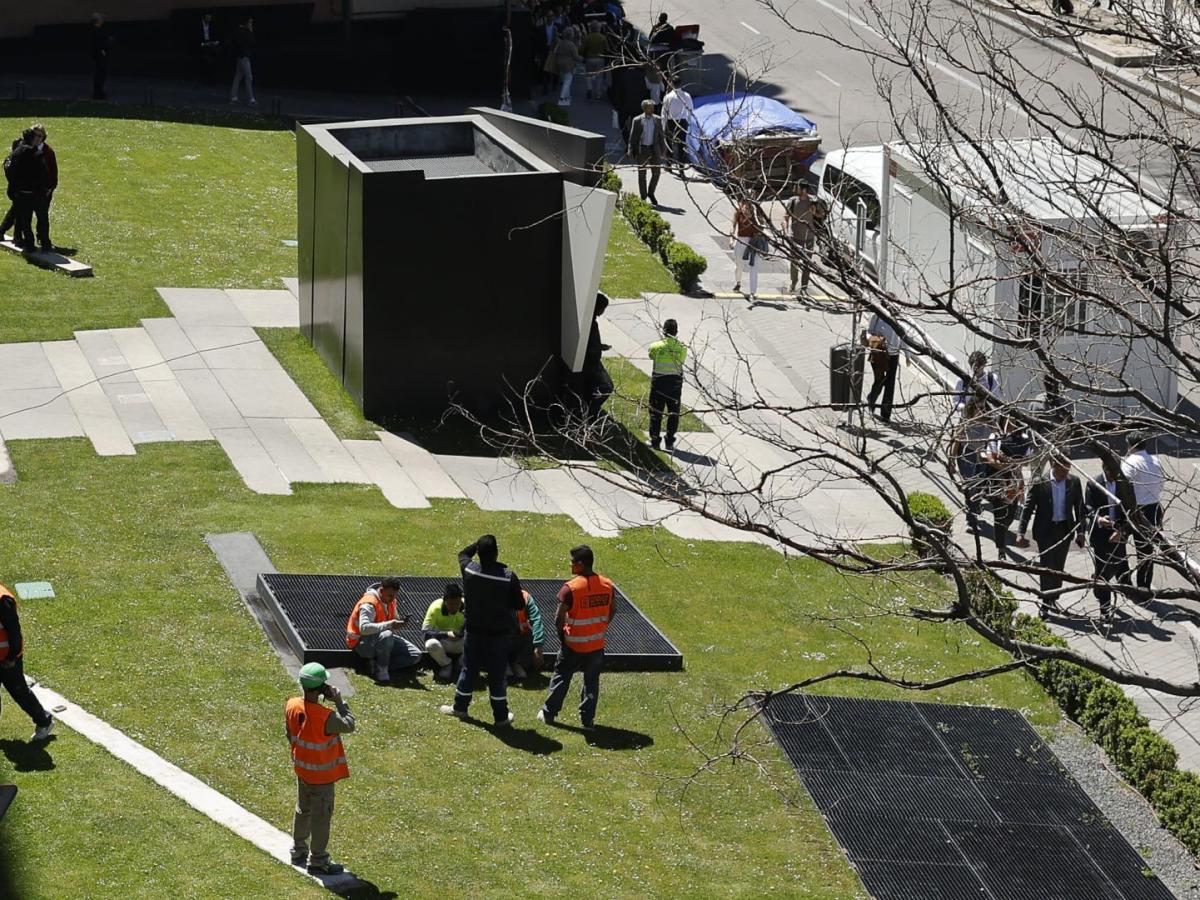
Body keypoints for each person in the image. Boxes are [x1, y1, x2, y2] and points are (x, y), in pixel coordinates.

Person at [439, 535, 525, 727]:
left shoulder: (470, 569)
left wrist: (475, 546)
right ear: (496, 553)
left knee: (469, 669)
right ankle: (501, 717)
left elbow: (463, 553)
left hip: (474, 632)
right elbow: (519, 603)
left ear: (479, 552)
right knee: (496, 673)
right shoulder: (507, 575)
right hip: (498, 635)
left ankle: (460, 707)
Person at [538, 545, 615, 729]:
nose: (570, 564)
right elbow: (613, 610)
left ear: (580, 564)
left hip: (573, 644)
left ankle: (549, 713)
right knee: (592, 682)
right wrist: (601, 627)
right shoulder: (607, 585)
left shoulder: (570, 588)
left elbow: (558, 617)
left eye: (572, 561)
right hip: (596, 644)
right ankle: (587, 721)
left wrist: (563, 635)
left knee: (562, 676)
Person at [286, 662, 353, 876]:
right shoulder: (325, 717)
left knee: (302, 810)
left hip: (302, 770)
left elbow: (290, 734)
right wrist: (340, 702)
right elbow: (349, 724)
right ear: (320, 687)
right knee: (321, 818)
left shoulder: (292, 705)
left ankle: (298, 851)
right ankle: (318, 861)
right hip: (321, 777)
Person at [1016, 457, 1085, 616]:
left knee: (1058, 567)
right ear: (1053, 464)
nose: (1064, 474)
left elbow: (1080, 508)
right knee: (1046, 567)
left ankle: (1053, 596)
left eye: (1067, 471)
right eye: (1061, 471)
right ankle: (1045, 602)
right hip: (1045, 531)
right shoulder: (1040, 482)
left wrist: (1081, 532)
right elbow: (1028, 508)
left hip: (1064, 530)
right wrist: (1020, 532)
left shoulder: (1074, 482)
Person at [0, 582, 54, 742]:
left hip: (7, 658)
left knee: (19, 692)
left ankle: (44, 721)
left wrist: (12, 657)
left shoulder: (3, 600)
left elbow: (14, 631)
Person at [344, 577, 419, 684]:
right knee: (387, 634)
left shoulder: (392, 601)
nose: (392, 599)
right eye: (390, 596)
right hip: (361, 644)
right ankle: (382, 671)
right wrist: (390, 624)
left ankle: (376, 666)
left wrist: (399, 623)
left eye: (395, 595)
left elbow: (393, 620)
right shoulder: (369, 604)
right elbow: (364, 628)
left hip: (383, 639)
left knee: (415, 655)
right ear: (381, 590)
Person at [1084, 459, 1131, 624]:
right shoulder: (1093, 484)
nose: (1113, 476)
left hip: (1118, 534)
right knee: (1103, 571)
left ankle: (1098, 586)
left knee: (1116, 566)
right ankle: (1105, 609)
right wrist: (1098, 519)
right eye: (1110, 472)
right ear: (1104, 468)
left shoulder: (1124, 484)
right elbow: (1088, 509)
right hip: (1101, 535)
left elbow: (1131, 512)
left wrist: (1122, 531)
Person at [1121, 434, 1166, 600]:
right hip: (1154, 508)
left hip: (1134, 510)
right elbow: (1161, 484)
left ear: (1131, 446)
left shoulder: (1129, 462)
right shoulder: (1156, 461)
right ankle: (1144, 587)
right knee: (1146, 553)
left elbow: (1123, 487)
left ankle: (1124, 581)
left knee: (1119, 547)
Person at [980, 413, 1031, 557]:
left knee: (1010, 514)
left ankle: (1002, 532)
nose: (1012, 426)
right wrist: (1008, 466)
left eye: (1014, 422)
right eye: (1009, 422)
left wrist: (1012, 463)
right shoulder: (995, 437)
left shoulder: (1022, 440)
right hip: (998, 483)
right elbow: (991, 459)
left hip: (1014, 483)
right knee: (1000, 514)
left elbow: (1026, 461)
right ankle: (1001, 547)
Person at [947, 398, 994, 535]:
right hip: (967, 455)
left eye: (984, 409)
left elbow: (998, 435)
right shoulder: (966, 421)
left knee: (979, 488)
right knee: (970, 488)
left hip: (982, 456)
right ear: (972, 409)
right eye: (978, 408)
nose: (981, 412)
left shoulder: (990, 422)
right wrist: (952, 460)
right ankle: (971, 519)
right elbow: (957, 440)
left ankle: (975, 508)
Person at [647, 318, 687, 451]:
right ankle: (669, 440)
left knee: (656, 411)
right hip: (675, 383)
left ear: (663, 330)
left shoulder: (656, 346)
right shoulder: (681, 347)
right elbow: (681, 360)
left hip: (659, 381)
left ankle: (654, 440)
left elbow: (651, 356)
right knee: (673, 412)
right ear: (676, 332)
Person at [3, 132, 45, 252]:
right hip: (32, 192)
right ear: (32, 139)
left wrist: (14, 185)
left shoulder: (16, 153)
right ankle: (29, 243)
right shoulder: (37, 154)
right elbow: (43, 174)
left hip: (18, 191)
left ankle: (20, 238)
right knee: (25, 218)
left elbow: (8, 168)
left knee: (20, 216)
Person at [864, 311, 902, 422]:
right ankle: (871, 399)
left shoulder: (897, 318)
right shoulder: (877, 316)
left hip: (893, 353)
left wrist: (908, 356)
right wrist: (875, 339)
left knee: (890, 383)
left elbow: (903, 336)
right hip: (878, 353)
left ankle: (886, 414)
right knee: (879, 380)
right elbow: (869, 332)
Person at [422, 583, 465, 682]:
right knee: (430, 644)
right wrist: (446, 634)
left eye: (457, 603)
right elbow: (425, 633)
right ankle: (446, 664)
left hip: (462, 643)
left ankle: (461, 665)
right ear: (444, 600)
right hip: (444, 642)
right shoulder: (435, 608)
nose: (454, 607)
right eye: (450, 604)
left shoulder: (468, 607)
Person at [628, 99, 667, 205]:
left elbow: (661, 136)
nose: (652, 109)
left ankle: (651, 192)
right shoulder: (637, 120)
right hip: (642, 150)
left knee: (656, 173)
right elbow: (633, 137)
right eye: (649, 108)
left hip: (654, 149)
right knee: (642, 174)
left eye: (653, 107)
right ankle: (643, 195)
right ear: (644, 108)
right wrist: (630, 149)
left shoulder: (658, 120)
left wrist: (664, 150)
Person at [581, 292, 613, 420]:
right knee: (606, 387)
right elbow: (588, 346)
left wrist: (600, 346)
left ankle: (588, 411)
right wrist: (599, 347)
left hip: (591, 361)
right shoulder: (590, 324)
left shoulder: (589, 321)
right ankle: (590, 412)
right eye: (603, 308)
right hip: (590, 363)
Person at [784, 181, 817, 295]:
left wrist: (814, 211)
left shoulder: (813, 201)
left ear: (803, 190)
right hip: (795, 237)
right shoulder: (792, 201)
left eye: (797, 187)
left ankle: (804, 287)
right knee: (794, 262)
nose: (794, 189)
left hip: (809, 237)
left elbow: (820, 215)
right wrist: (785, 227)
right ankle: (794, 282)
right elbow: (786, 216)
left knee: (807, 263)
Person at [730, 199, 765, 300]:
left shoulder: (757, 211)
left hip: (754, 241)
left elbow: (762, 226)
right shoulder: (738, 211)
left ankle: (753, 292)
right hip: (741, 239)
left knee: (754, 266)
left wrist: (757, 217)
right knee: (739, 263)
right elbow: (733, 225)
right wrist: (731, 239)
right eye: (745, 202)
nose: (747, 205)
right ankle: (738, 282)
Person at [30, 124, 57, 253]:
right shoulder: (25, 148)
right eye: (35, 135)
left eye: (40, 136)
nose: (37, 138)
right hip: (28, 189)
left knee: (42, 217)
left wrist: (50, 188)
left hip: (43, 190)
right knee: (18, 214)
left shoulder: (48, 151)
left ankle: (44, 240)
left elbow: (53, 171)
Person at [509, 589, 545, 681]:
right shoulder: (495, 596)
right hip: (501, 638)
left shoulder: (525, 597)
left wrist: (538, 647)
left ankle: (518, 664)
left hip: (520, 638)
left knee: (531, 634)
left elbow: (536, 620)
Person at [661, 76, 693, 170]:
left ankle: (669, 164)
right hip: (682, 121)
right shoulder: (686, 96)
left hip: (670, 122)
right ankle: (681, 165)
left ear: (671, 83)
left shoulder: (668, 97)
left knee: (669, 143)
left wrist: (663, 125)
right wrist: (689, 121)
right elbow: (690, 109)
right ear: (681, 84)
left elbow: (664, 112)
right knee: (681, 145)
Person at [230, 17, 257, 106]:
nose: (250, 24)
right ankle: (251, 99)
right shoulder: (244, 32)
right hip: (243, 57)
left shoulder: (240, 31)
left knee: (238, 76)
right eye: (250, 23)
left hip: (241, 56)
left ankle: (233, 97)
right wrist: (251, 30)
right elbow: (252, 41)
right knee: (248, 77)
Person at [552, 26, 582, 106]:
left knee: (564, 80)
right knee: (568, 81)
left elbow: (556, 52)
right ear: (571, 35)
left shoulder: (560, 43)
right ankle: (562, 97)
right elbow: (576, 56)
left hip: (559, 63)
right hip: (569, 64)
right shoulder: (571, 44)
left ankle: (567, 97)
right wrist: (583, 59)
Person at [580, 22, 608, 100]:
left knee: (588, 75)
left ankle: (589, 89)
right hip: (600, 59)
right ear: (599, 28)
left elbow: (582, 49)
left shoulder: (587, 37)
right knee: (599, 77)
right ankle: (598, 94)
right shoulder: (603, 37)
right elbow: (607, 49)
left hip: (589, 58)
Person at [91, 13, 112, 101]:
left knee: (101, 74)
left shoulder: (98, 30)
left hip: (99, 54)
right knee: (100, 74)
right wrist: (102, 50)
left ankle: (99, 92)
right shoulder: (95, 30)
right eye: (101, 19)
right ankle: (98, 93)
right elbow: (98, 42)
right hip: (99, 55)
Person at [199, 13, 222, 83]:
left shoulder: (212, 26)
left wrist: (215, 42)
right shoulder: (199, 26)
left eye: (210, 18)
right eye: (208, 18)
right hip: (202, 44)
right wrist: (203, 44)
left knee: (216, 52)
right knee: (208, 57)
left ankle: (213, 77)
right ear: (204, 18)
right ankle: (207, 77)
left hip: (210, 43)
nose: (209, 19)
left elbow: (215, 36)